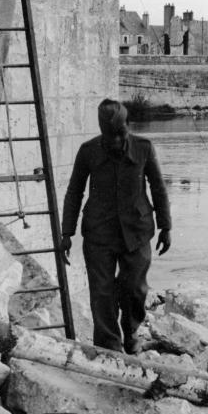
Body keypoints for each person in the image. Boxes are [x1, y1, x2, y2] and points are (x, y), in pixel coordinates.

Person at [60, 98, 171, 354]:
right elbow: (74, 192)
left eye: (121, 134)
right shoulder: (88, 151)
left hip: (137, 231)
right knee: (102, 293)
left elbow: (158, 188)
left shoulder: (144, 148)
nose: (116, 142)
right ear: (102, 132)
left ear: (128, 126)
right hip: (99, 232)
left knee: (134, 288)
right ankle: (108, 348)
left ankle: (131, 334)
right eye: (110, 136)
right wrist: (67, 232)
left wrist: (166, 226)